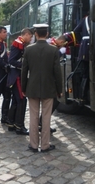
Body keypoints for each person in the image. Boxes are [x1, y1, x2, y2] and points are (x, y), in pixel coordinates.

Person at [21, 24, 62, 153]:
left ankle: (33, 144)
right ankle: (45, 145)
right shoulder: (54, 50)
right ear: (47, 34)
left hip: (32, 88)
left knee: (33, 117)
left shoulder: (28, 49)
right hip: (48, 88)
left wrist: (23, 87)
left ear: (36, 34)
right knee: (46, 117)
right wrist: (59, 88)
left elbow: (24, 71)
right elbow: (57, 72)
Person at [6, 28, 33, 135]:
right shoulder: (18, 43)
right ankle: (19, 126)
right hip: (17, 75)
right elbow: (11, 60)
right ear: (26, 34)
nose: (31, 39)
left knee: (16, 101)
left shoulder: (21, 43)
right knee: (21, 100)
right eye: (30, 36)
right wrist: (25, 66)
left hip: (18, 74)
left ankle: (11, 122)